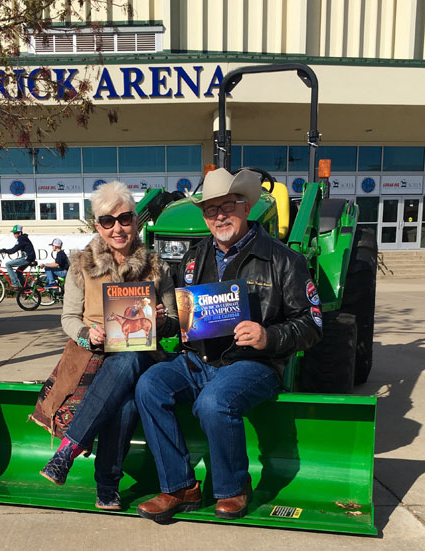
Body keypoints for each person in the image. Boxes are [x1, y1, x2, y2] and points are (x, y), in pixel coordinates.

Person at [134, 167, 323, 522]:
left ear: (246, 206)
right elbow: (184, 319)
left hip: (255, 363)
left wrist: (268, 336)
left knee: (215, 401)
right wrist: (163, 320)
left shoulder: (284, 261)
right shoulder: (193, 259)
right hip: (199, 359)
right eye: (211, 209)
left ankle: (233, 489)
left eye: (228, 206)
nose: (220, 215)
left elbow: (311, 324)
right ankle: (179, 486)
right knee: (149, 385)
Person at [39, 181, 179, 510]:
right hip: (93, 356)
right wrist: (89, 333)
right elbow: (68, 318)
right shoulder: (81, 265)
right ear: (98, 226)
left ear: (136, 221)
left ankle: (68, 451)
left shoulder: (157, 267)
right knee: (126, 401)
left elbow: (175, 321)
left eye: (125, 218)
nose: (117, 228)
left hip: (143, 354)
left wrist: (162, 321)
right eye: (107, 221)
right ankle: (107, 486)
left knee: (130, 358)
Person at [0, 224, 36, 290]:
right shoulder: (23, 238)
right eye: (13, 233)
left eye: (15, 233)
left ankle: (15, 284)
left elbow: (13, 250)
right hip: (29, 258)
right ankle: (27, 288)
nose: (14, 235)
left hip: (27, 258)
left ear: (20, 233)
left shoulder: (21, 239)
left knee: (8, 264)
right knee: (18, 272)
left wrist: (1, 250)